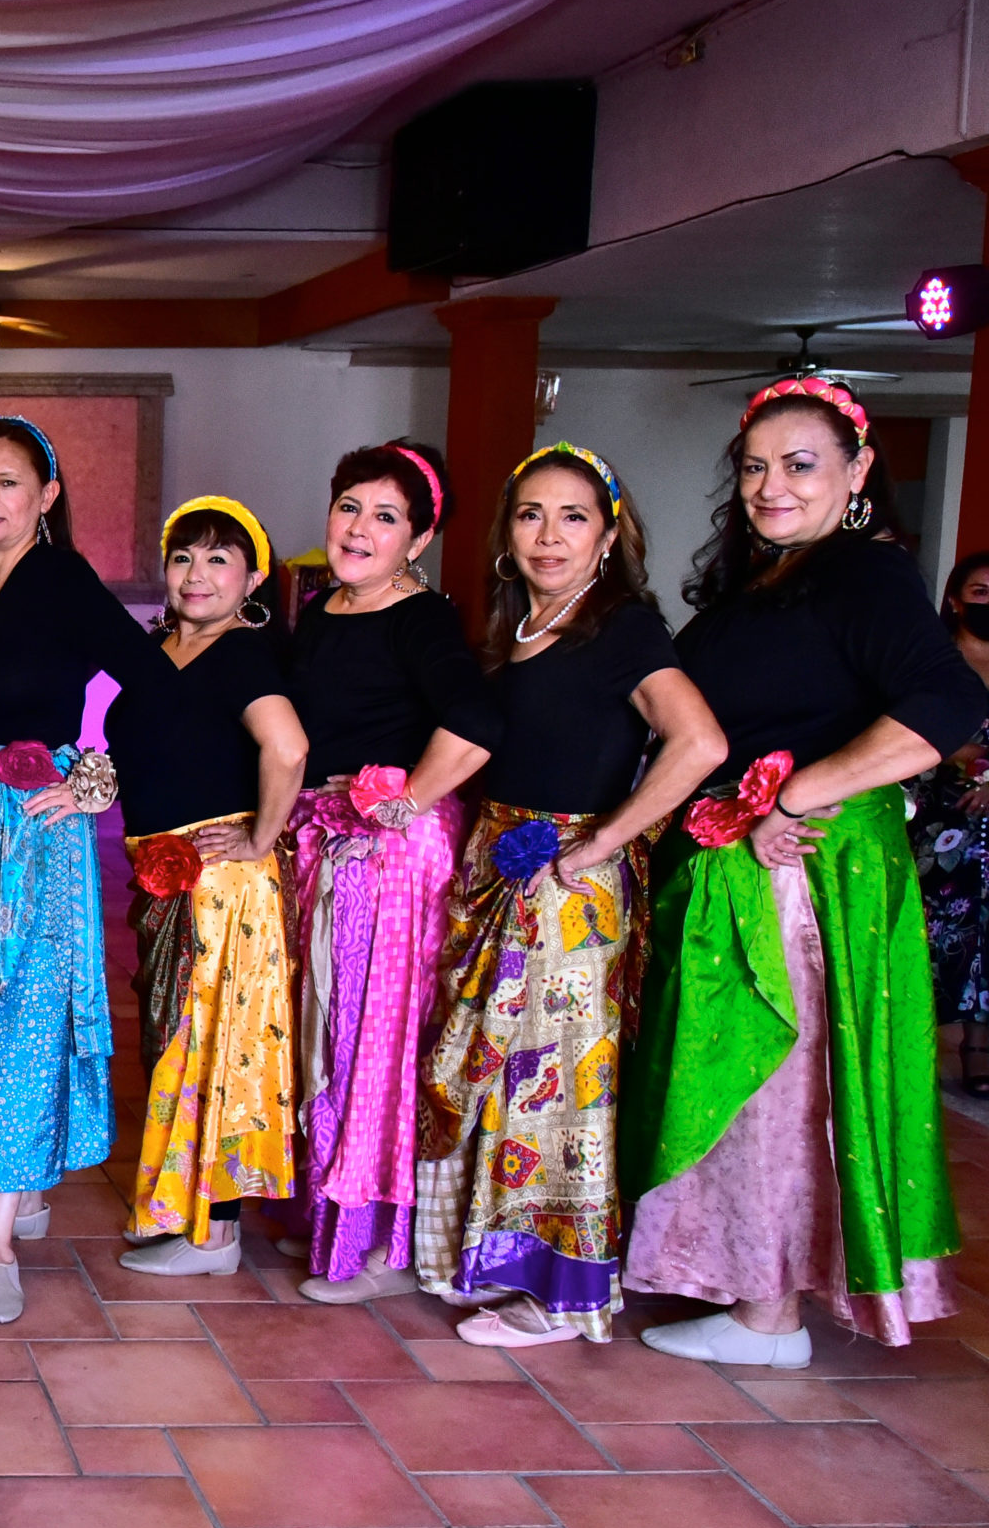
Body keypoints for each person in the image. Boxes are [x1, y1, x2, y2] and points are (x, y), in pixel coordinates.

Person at [623, 378, 983, 1365]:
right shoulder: (778, 579)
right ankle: (745, 1286)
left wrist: (792, 797)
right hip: (739, 859)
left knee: (773, 1085)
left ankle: (768, 1316)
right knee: (747, 1087)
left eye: (798, 464)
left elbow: (948, 701)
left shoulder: (862, 575)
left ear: (859, 471)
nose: (769, 486)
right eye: (753, 467)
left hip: (795, 873)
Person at [407, 445, 725, 1346]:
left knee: (558, 1091)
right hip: (498, 865)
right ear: (507, 533)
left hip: (569, 891)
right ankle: (485, 1260)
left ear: (610, 532)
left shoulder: (621, 626)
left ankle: (562, 1294)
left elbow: (698, 743)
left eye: (573, 517)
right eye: (531, 515)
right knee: (484, 1069)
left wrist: (605, 843)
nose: (549, 535)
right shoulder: (517, 625)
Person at [0, 420, 150, 1323]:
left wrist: (97, 777)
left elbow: (148, 675)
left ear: (47, 497)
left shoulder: (60, 578)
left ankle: (0, 1236)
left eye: (8, 483)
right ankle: (12, 1193)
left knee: (22, 1013)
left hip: (35, 828)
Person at [282, 439, 489, 1305]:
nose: (360, 528)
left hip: (395, 860)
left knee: (380, 1040)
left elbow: (477, 721)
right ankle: (331, 1210)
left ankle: (382, 1244)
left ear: (419, 539)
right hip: (326, 845)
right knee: (328, 1034)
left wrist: (403, 802)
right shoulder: (322, 608)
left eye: (386, 516)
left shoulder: (423, 616)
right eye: (349, 508)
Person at [116, 497, 309, 1278]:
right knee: (174, 1045)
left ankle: (216, 1234)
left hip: (224, 884)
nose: (197, 575)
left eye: (219, 559)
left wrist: (262, 835)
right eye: (184, 558)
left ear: (253, 576)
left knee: (221, 1049)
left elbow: (287, 748)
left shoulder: (243, 653)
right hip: (163, 876)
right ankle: (175, 1208)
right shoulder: (158, 649)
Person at [909, 550, 989, 1098]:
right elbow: (910, 727)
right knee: (940, 930)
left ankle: (979, 1046)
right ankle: (916, 1046)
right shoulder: (935, 662)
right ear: (956, 601)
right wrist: (973, 762)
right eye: (981, 592)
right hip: (942, 815)